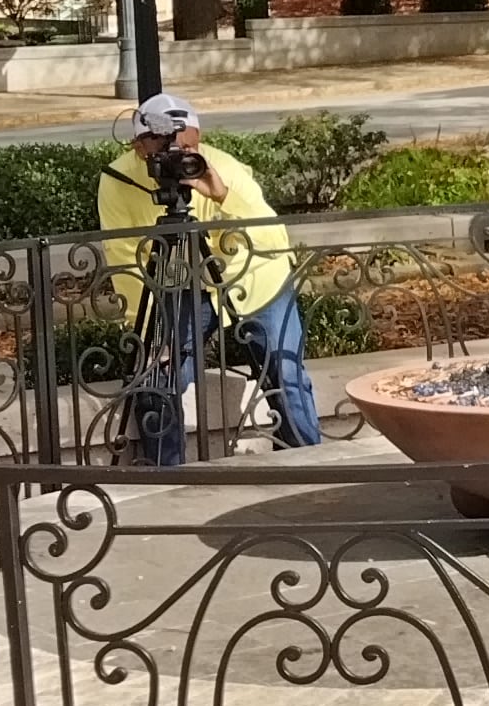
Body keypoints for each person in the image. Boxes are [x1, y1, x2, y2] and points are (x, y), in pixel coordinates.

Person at [95, 93, 321, 463]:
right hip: (179, 287)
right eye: (166, 147)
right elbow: (125, 258)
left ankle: (309, 467)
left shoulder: (219, 166)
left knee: (285, 373)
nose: (180, 156)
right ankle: (168, 481)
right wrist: (154, 335)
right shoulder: (118, 179)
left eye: (189, 145)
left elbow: (270, 235)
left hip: (255, 278)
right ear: (139, 146)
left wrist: (222, 195)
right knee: (157, 380)